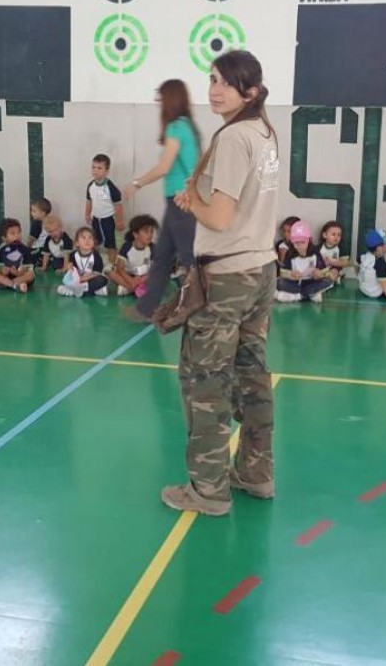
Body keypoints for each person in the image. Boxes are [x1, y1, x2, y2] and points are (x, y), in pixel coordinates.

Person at [161, 50, 280, 517]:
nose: (215, 90)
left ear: (250, 92)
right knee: (252, 377)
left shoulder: (232, 138)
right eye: (212, 79)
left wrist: (190, 202)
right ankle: (256, 473)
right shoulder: (264, 131)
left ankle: (208, 490)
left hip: (227, 275)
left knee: (206, 382)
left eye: (227, 83)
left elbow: (221, 216)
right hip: (261, 269)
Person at [123, 80, 201, 320]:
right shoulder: (187, 126)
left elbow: (164, 167)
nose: (158, 101)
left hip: (181, 201)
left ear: (171, 99)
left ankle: (205, 309)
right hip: (178, 201)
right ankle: (146, 308)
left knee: (189, 258)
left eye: (161, 96)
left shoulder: (176, 127)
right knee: (163, 257)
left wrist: (137, 183)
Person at [274, 220, 333, 303]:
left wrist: (319, 274)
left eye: (302, 242)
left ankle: (298, 296)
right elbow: (283, 272)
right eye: (296, 242)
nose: (299, 245)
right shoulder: (289, 253)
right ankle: (309, 294)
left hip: (311, 282)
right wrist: (291, 274)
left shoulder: (315, 252)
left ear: (308, 240)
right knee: (279, 282)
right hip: (295, 283)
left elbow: (324, 271)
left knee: (328, 280)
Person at [84, 153, 125, 267]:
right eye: (93, 167)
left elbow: (118, 205)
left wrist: (119, 221)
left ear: (107, 171)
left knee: (111, 244)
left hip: (109, 219)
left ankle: (112, 265)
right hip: (96, 219)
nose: (95, 170)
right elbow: (89, 201)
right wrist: (87, 214)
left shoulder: (110, 187)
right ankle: (96, 263)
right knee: (95, 241)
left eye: (99, 168)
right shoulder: (90, 186)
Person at [108, 214, 159, 297]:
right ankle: (132, 287)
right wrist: (131, 280)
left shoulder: (153, 248)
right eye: (146, 231)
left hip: (143, 276)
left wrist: (144, 278)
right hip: (127, 275)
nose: (150, 235)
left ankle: (131, 289)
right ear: (135, 234)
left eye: (151, 231)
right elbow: (120, 269)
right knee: (109, 271)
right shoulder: (127, 247)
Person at [56, 227, 108, 297]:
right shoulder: (73, 255)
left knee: (102, 280)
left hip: (89, 279)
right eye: (83, 238)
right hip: (77, 281)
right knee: (67, 278)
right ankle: (86, 290)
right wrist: (71, 274)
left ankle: (74, 292)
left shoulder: (96, 256)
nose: (87, 240)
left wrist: (82, 279)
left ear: (94, 242)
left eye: (90, 238)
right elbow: (70, 269)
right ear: (77, 243)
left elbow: (96, 273)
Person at [0, 218, 35, 293]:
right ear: (4, 238)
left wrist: (17, 272)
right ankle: (14, 285)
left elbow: (26, 268)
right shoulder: (2, 250)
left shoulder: (25, 249)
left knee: (31, 275)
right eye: (13, 233)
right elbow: (1, 267)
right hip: (7, 277)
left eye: (19, 232)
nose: (17, 235)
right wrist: (4, 271)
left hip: (20, 276)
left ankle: (4, 284)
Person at [317, 220, 351, 284]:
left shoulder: (340, 248)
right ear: (324, 235)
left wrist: (332, 263)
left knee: (335, 271)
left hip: (334, 267)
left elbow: (345, 262)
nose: (336, 237)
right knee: (318, 273)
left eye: (339, 235)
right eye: (333, 234)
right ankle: (330, 279)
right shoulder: (319, 248)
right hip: (322, 268)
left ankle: (332, 278)